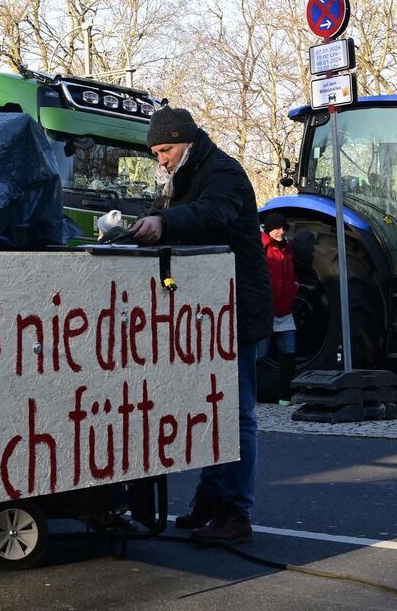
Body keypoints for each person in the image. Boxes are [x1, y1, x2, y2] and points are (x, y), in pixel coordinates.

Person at [126, 107, 269, 547]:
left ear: (186, 140)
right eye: (155, 154)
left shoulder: (224, 172)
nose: (161, 160)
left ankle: (235, 512)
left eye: (165, 150)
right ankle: (211, 501)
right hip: (211, 311)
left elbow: (214, 214)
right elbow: (169, 214)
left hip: (238, 309)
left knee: (238, 413)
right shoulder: (182, 178)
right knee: (213, 407)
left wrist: (164, 222)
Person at [262, 217, 301, 405]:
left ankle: (285, 397)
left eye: (283, 228)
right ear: (268, 230)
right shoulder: (262, 249)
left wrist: (294, 286)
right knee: (259, 354)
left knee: (288, 353)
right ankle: (248, 395)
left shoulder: (287, 250)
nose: (280, 232)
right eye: (276, 228)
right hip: (266, 310)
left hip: (285, 310)